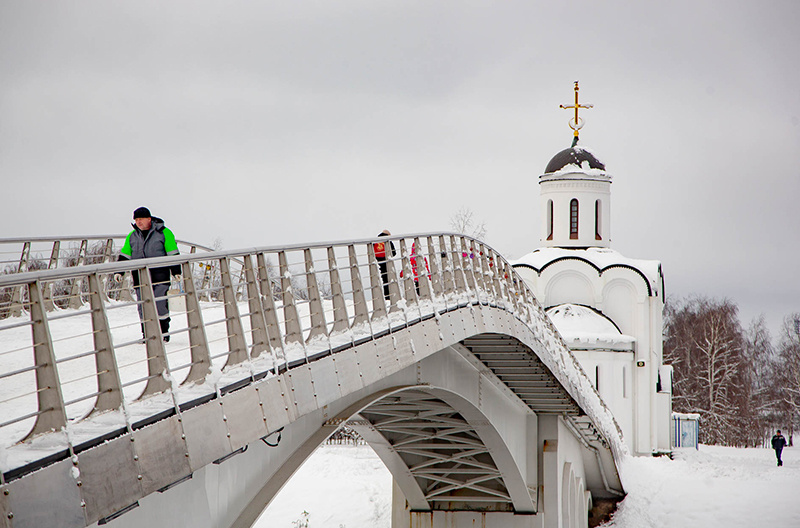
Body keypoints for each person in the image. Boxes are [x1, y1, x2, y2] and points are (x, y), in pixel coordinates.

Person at [116, 207, 181, 342]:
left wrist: (176, 271)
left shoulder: (164, 233)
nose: (138, 222)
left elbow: (173, 253)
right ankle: (146, 335)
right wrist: (119, 271)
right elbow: (125, 255)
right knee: (143, 306)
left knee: (160, 304)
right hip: (140, 277)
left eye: (141, 219)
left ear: (149, 219)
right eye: (136, 220)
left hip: (160, 276)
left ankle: (163, 333)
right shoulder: (132, 236)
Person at [373, 230, 395, 300]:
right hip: (386, 262)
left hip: (377, 262)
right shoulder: (388, 241)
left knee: (377, 279)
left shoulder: (375, 241)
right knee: (387, 279)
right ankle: (388, 295)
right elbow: (394, 253)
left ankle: (378, 297)